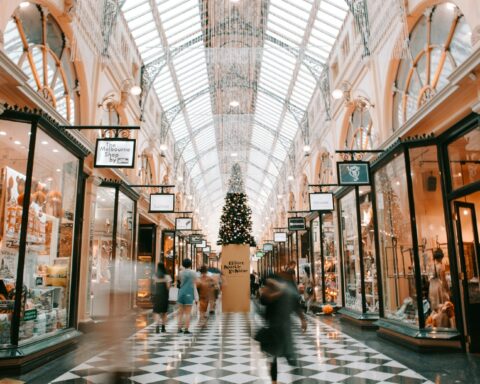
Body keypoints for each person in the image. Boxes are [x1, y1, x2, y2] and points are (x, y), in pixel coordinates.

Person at [258, 273, 307, 384]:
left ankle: (293, 378)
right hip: (273, 327)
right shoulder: (271, 291)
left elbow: (295, 305)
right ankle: (274, 381)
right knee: (274, 357)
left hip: (283, 327)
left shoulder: (284, 291)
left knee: (287, 355)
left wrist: (303, 319)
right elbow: (264, 300)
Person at [177, 258, 197, 334]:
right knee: (187, 313)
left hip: (181, 293)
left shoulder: (180, 273)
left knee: (180, 312)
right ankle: (186, 329)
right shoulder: (193, 272)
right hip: (189, 293)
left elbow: (179, 280)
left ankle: (179, 328)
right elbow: (195, 282)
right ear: (190, 264)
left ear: (183, 264)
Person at [151, 263, 171, 333]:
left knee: (156, 311)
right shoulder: (167, 277)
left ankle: (157, 326)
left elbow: (153, 286)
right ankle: (163, 327)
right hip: (164, 296)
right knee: (164, 312)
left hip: (157, 295)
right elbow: (168, 287)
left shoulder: (155, 276)